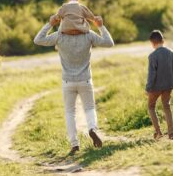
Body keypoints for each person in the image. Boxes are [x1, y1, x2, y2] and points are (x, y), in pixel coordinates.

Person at [34, 15, 114, 155]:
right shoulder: (88, 35)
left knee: (70, 113)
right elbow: (109, 43)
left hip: (68, 81)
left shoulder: (59, 36)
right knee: (89, 108)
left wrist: (50, 24)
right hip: (85, 80)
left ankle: (74, 144)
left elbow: (38, 40)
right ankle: (92, 129)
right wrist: (100, 25)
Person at [145, 30, 173, 140]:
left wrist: (148, 88)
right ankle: (171, 133)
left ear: (152, 43)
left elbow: (152, 74)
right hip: (168, 85)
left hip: (155, 87)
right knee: (167, 106)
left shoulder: (152, 56)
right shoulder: (171, 53)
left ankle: (158, 132)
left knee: (151, 106)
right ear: (163, 41)